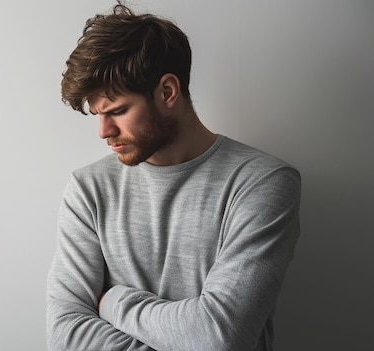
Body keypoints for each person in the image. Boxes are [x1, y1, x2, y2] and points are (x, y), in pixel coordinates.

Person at [46, 3, 301, 351]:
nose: (103, 131)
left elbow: (219, 336)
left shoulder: (262, 183)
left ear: (167, 92)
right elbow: (66, 336)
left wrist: (113, 301)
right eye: (98, 115)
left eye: (118, 111)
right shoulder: (88, 190)